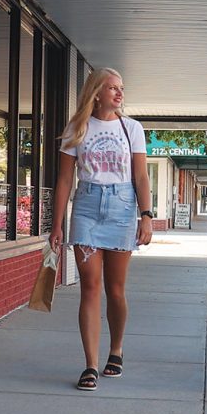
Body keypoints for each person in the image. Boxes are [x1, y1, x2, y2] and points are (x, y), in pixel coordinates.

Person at [49, 68, 153, 392]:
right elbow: (65, 180)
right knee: (90, 287)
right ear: (96, 92)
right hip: (87, 207)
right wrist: (57, 224)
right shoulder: (76, 128)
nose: (120, 94)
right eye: (112, 88)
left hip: (122, 208)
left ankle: (117, 348)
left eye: (121, 88)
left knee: (116, 289)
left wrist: (146, 215)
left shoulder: (132, 129)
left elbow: (141, 177)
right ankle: (90, 365)